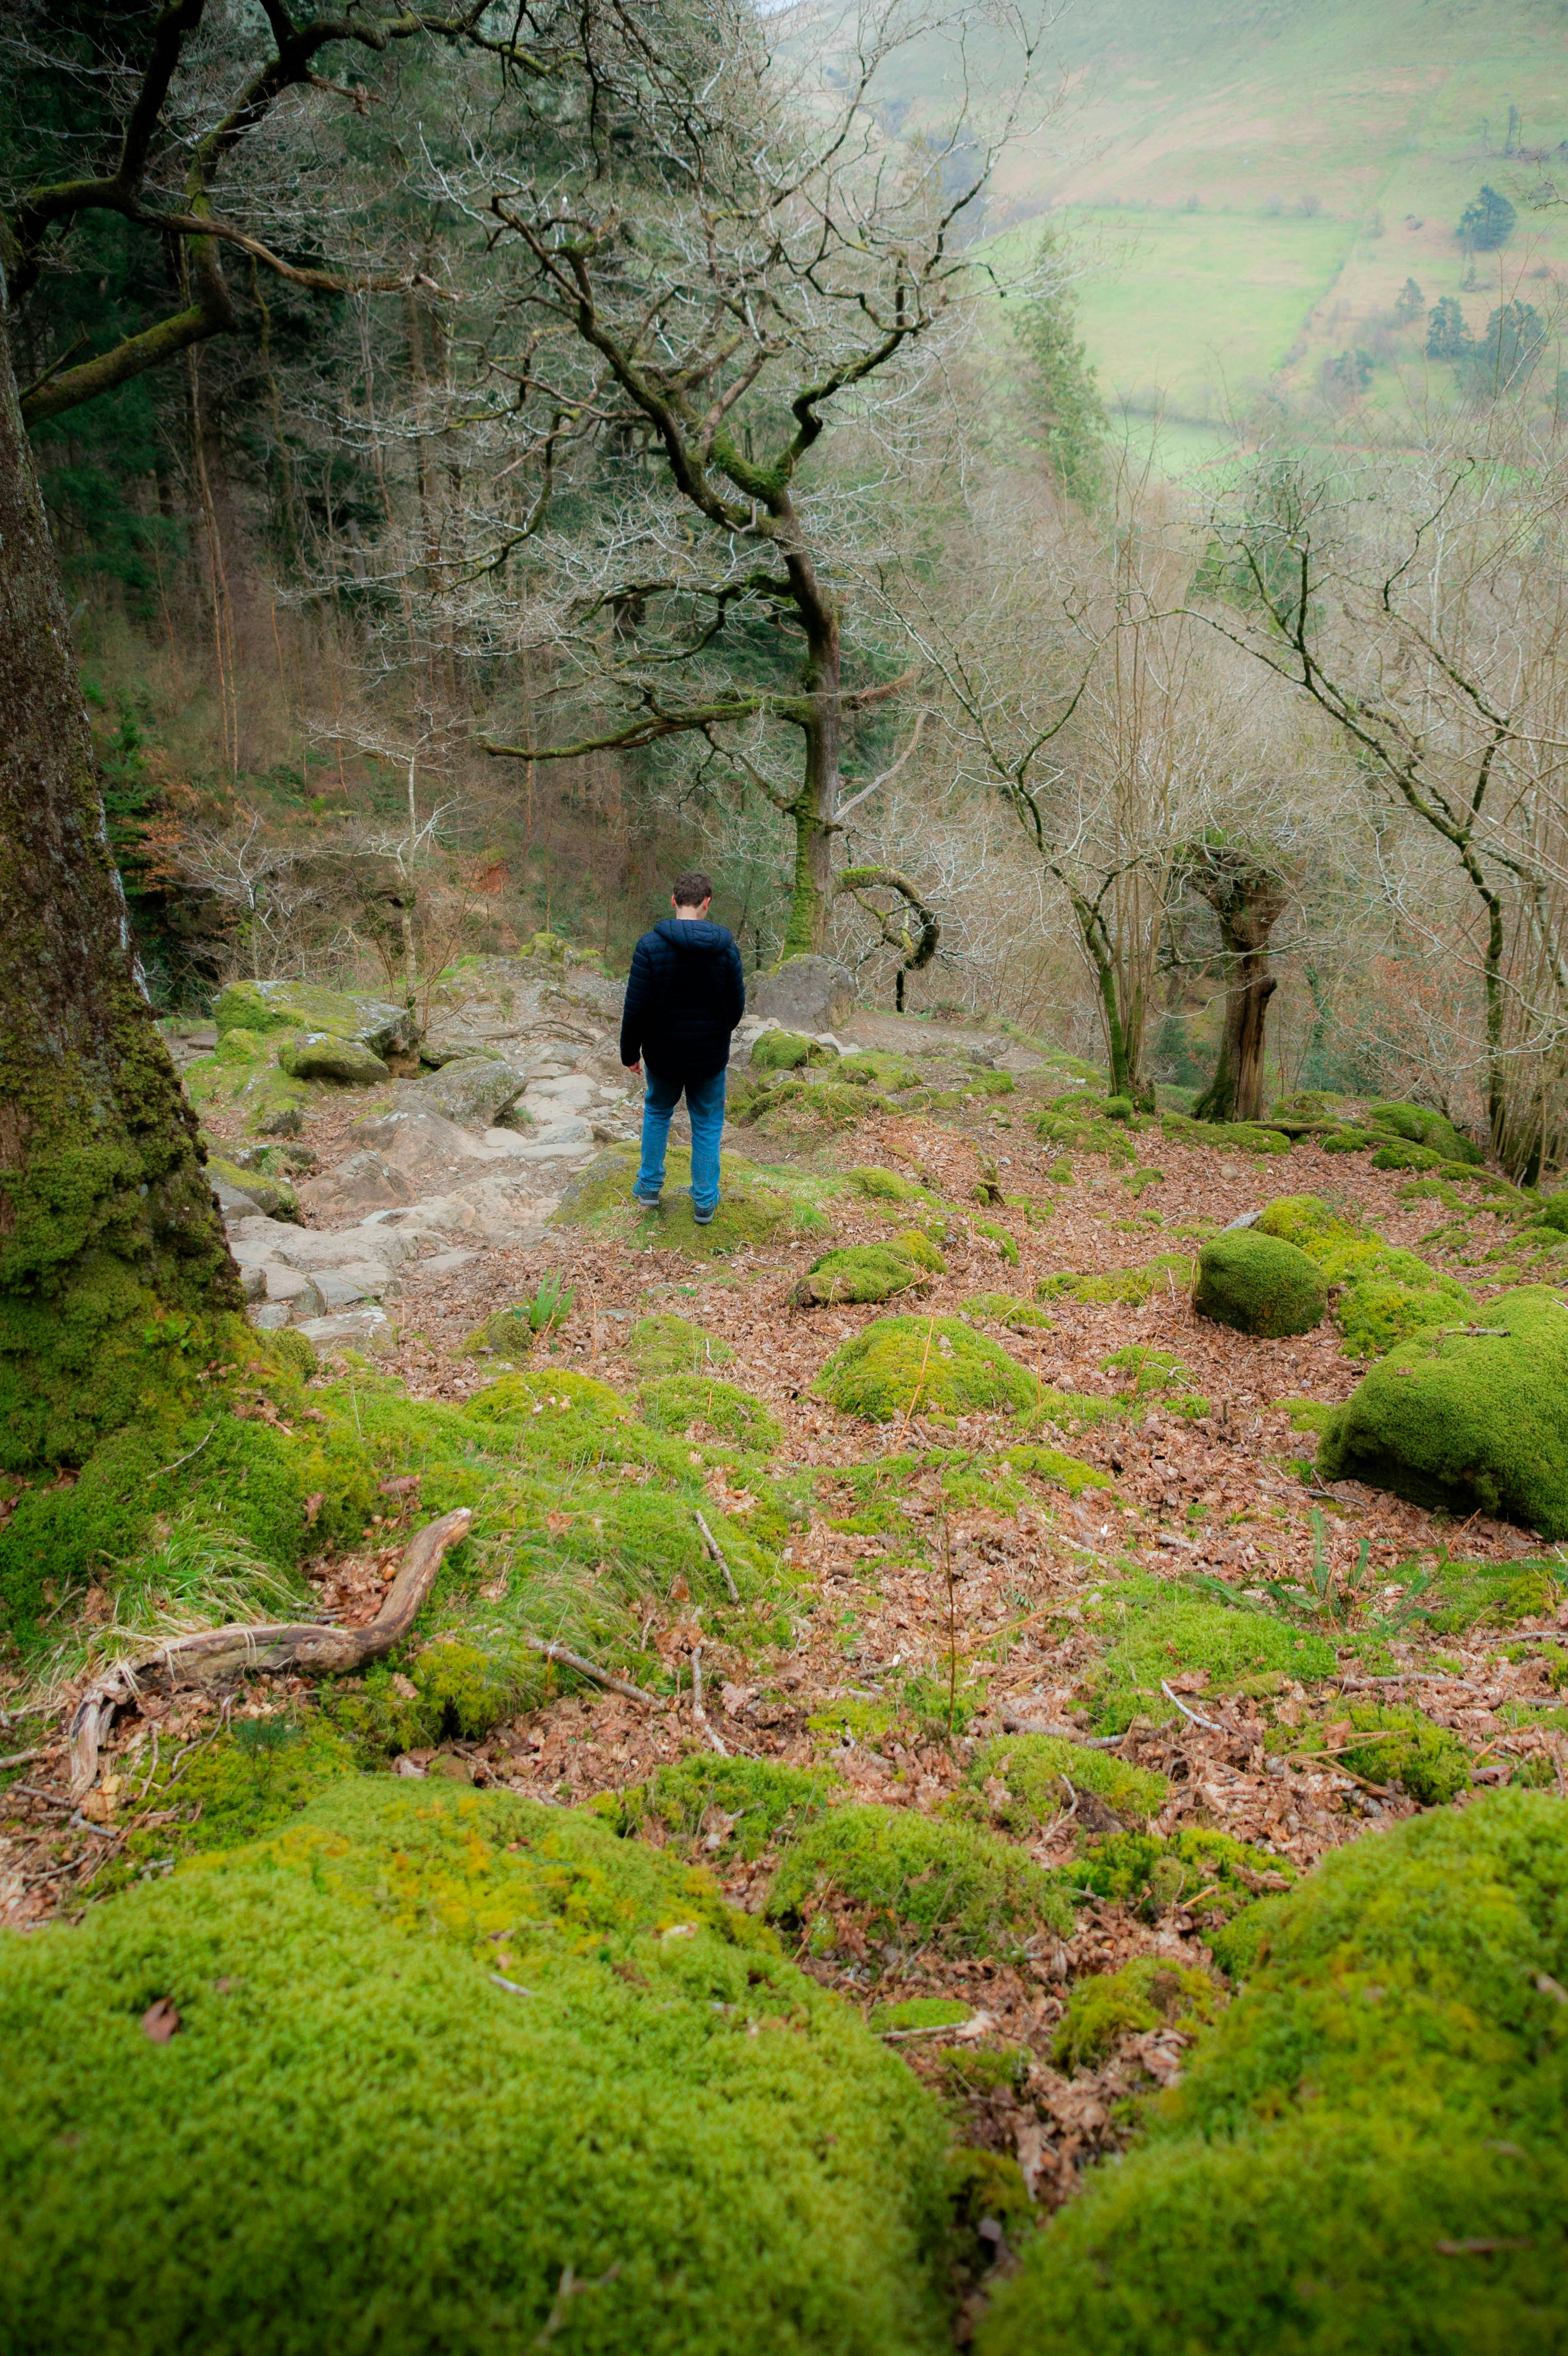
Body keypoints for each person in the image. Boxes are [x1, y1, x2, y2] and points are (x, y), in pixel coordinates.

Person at [619, 869, 746, 1224]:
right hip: (709, 1058)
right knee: (706, 1122)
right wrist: (715, 1034)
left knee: (658, 1112)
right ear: (707, 903)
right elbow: (735, 1008)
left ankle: (648, 1187)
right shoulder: (726, 950)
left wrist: (631, 1053)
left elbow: (636, 1009)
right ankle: (704, 1201)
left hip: (663, 1054)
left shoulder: (649, 946)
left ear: (674, 901)